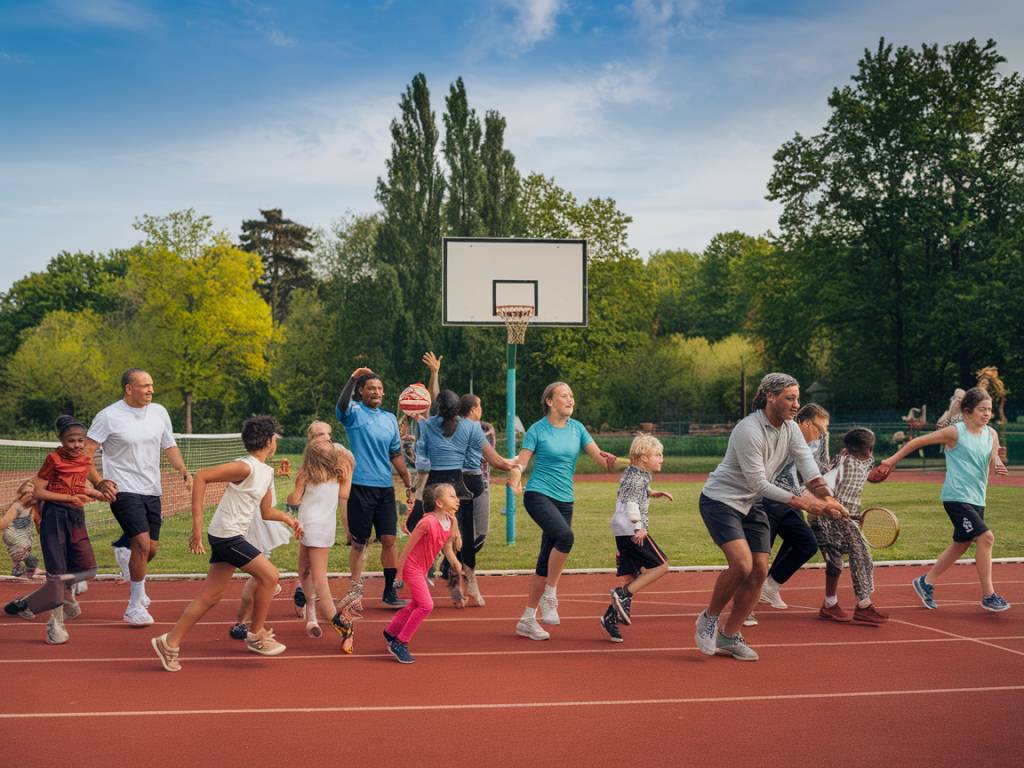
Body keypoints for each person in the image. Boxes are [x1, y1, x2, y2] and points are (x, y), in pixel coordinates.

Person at [694, 373, 847, 661]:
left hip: (752, 505)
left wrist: (829, 498)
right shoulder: (748, 430)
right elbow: (758, 484)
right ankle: (709, 618)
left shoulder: (790, 429)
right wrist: (805, 503)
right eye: (790, 398)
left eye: (797, 398)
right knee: (741, 564)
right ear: (771, 397)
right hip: (721, 500)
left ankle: (729, 636)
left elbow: (809, 470)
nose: (795, 405)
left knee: (760, 571)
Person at [151, 416, 302, 672]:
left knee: (211, 596)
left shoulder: (266, 472)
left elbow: (266, 511)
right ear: (269, 441)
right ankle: (255, 634)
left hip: (232, 535)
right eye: (275, 437)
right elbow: (201, 477)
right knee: (270, 576)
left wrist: (289, 520)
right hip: (226, 535)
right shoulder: (246, 467)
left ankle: (169, 642)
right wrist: (196, 527)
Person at [877, 386, 1010, 612]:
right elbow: (916, 442)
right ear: (967, 412)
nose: (987, 414)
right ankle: (989, 595)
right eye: (982, 410)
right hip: (956, 497)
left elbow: (994, 457)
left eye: (989, 410)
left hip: (978, 498)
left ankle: (925, 582)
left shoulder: (992, 434)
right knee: (986, 538)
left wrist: (998, 462)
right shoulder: (955, 432)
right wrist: (891, 461)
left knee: (962, 542)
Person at [86, 368, 192, 626]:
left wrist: (184, 470)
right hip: (122, 489)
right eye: (144, 385)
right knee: (142, 545)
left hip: (152, 489)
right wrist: (100, 482)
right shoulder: (108, 416)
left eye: (151, 385)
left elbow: (170, 446)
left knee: (150, 549)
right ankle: (135, 606)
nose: (150, 390)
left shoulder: (159, 412)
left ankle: (124, 550)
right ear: (128, 389)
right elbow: (85, 454)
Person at [513, 382, 617, 641]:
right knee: (566, 537)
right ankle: (551, 595)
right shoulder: (537, 430)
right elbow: (521, 462)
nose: (570, 399)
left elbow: (601, 461)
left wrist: (622, 461)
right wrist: (515, 478)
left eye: (572, 395)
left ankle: (527, 618)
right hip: (538, 494)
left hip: (565, 499)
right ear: (549, 401)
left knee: (544, 559)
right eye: (564, 395)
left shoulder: (578, 428)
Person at [3, 417, 107, 644]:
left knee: (87, 570)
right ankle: (55, 624)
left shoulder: (85, 459)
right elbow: (39, 492)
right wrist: (70, 497)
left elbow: (81, 486)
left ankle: (30, 604)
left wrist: (99, 493)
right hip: (54, 517)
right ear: (61, 440)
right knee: (57, 574)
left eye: (81, 440)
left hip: (75, 517)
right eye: (71, 441)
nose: (77, 445)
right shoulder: (53, 459)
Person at [417, 390, 519, 608]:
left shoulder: (427, 424)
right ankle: (464, 580)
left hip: (436, 487)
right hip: (459, 485)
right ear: (462, 410)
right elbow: (496, 460)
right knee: (461, 538)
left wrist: (434, 374)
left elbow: (434, 398)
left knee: (441, 538)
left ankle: (438, 577)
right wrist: (515, 464)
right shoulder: (471, 427)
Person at [335, 367, 414, 611]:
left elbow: (395, 453)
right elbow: (341, 404)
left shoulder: (390, 418)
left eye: (379, 389)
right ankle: (355, 591)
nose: (376, 392)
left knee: (389, 539)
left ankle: (389, 591)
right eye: (371, 388)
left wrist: (407, 480)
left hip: (384, 489)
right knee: (360, 543)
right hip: (360, 486)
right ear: (361, 391)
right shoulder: (354, 413)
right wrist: (352, 378)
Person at [750, 403, 830, 624]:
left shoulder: (814, 444)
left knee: (806, 544)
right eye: (819, 429)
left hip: (790, 502)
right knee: (757, 559)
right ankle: (746, 608)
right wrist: (811, 502)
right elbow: (782, 477)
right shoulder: (783, 437)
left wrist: (827, 501)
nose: (821, 435)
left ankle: (771, 585)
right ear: (804, 423)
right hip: (766, 500)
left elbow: (815, 473)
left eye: (825, 431)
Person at [601, 434, 673, 642]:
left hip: (621, 529)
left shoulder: (636, 474)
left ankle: (610, 618)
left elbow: (633, 492)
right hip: (630, 529)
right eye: (658, 455)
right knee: (661, 566)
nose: (662, 459)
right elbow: (632, 503)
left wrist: (652, 493)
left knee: (633, 575)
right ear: (643, 458)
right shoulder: (636, 477)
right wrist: (639, 528)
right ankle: (622, 594)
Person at [811, 428, 887, 624]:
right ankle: (864, 605)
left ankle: (829, 605)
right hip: (829, 516)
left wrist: (881, 474)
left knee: (836, 562)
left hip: (849, 517)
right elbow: (824, 487)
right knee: (861, 556)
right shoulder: (841, 463)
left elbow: (868, 474)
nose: (868, 455)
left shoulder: (867, 460)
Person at [287, 439, 357, 652]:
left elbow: (293, 500)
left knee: (318, 579)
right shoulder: (338, 475)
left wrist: (293, 494)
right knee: (305, 571)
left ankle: (343, 625)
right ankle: (311, 612)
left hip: (311, 527)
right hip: (316, 528)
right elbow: (345, 494)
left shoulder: (306, 475)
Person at [383, 483, 463, 664]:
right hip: (412, 568)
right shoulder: (427, 522)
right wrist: (399, 574)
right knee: (426, 605)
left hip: (423, 569)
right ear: (439, 503)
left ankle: (391, 631)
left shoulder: (449, 522)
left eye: (455, 495)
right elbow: (406, 550)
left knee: (416, 604)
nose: (456, 499)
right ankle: (400, 642)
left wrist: (456, 563)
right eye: (451, 496)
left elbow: (447, 548)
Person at [291, 420, 333, 617]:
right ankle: (322, 613)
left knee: (309, 571)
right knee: (312, 572)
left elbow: (344, 497)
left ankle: (312, 606)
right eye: (320, 434)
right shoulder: (305, 472)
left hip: (326, 526)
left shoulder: (339, 468)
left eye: (328, 434)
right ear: (310, 441)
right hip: (309, 524)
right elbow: (294, 499)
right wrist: (293, 497)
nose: (326, 437)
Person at [3, 479, 41, 578]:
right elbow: (3, 524)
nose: (32, 490)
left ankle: (18, 572)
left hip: (24, 540)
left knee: (23, 565)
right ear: (22, 493)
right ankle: (26, 571)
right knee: (31, 561)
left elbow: (38, 523)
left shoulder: (32, 508)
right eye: (29, 486)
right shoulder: (17, 506)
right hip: (14, 539)